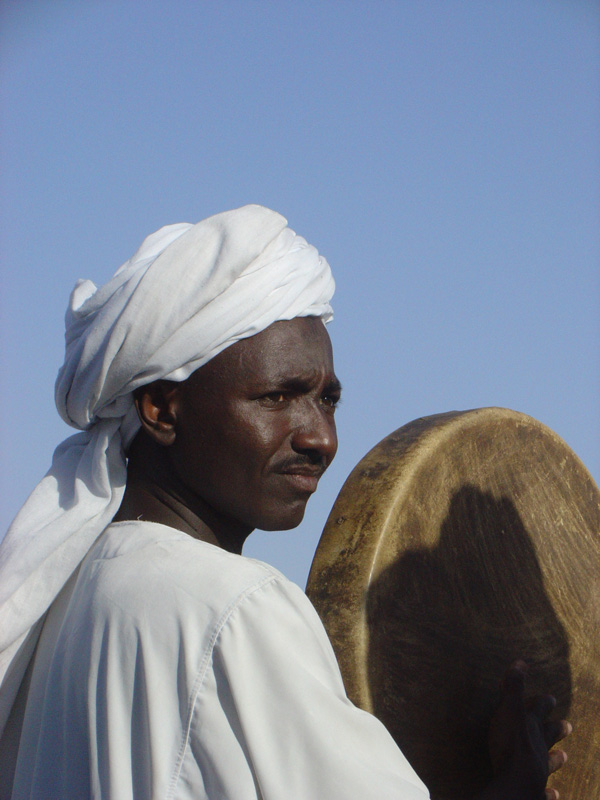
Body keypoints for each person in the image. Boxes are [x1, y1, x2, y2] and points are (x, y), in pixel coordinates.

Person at [0, 205, 568, 799]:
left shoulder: (65, 601)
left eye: (327, 400)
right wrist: (518, 781)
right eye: (276, 397)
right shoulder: (236, 606)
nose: (321, 438)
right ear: (162, 409)